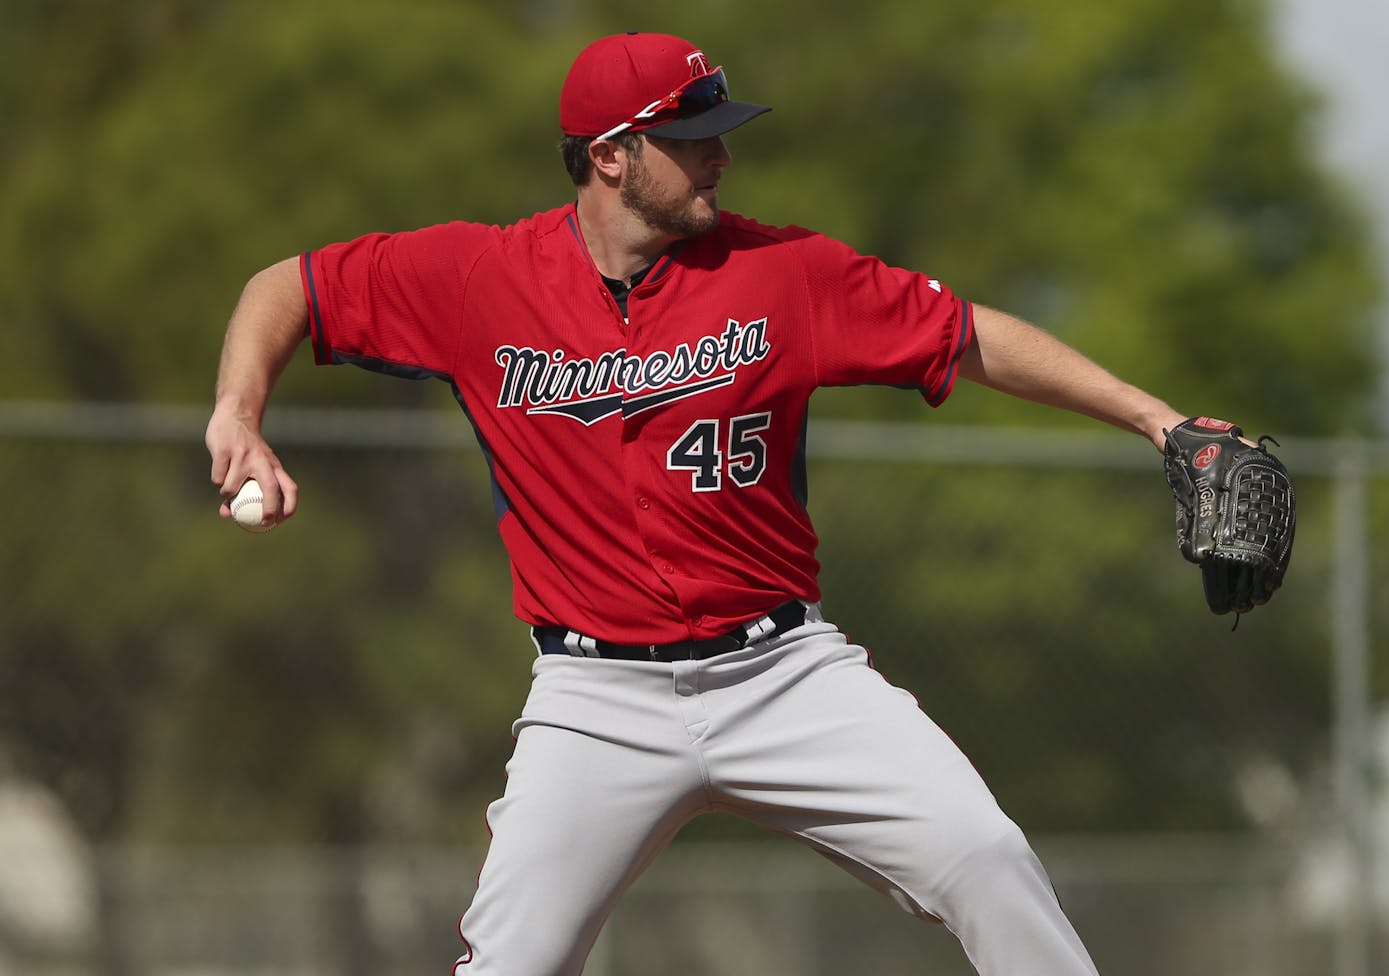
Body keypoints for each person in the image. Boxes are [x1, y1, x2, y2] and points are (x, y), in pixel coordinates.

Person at [206, 31, 1190, 976]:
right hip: (596, 700)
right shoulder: (479, 279)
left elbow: (969, 336)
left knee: (988, 859)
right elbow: (285, 287)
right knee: (514, 964)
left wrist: (1161, 421)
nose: (720, 155)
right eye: (689, 140)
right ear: (610, 157)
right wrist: (239, 411)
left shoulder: (784, 273)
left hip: (786, 676)